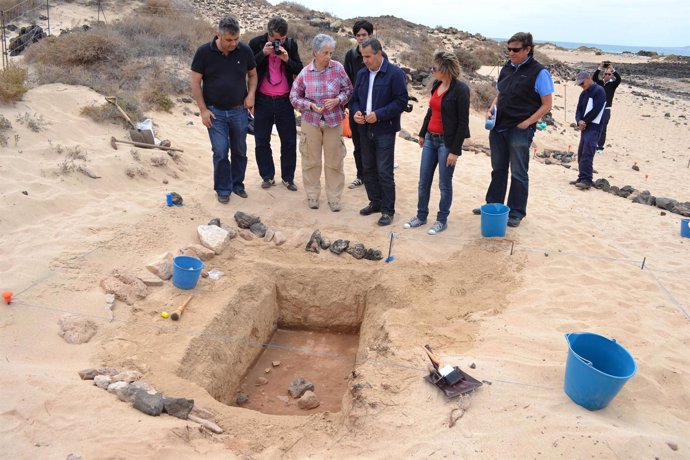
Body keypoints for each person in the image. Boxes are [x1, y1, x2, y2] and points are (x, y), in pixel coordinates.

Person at [473, 32, 554, 227]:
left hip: (520, 129)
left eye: (515, 50)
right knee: (498, 169)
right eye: (509, 49)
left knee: (518, 172)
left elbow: (547, 104)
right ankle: (493, 205)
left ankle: (516, 212)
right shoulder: (507, 68)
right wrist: (492, 109)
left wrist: (527, 123)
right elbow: (500, 93)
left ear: (528, 49)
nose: (511, 53)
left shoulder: (539, 72)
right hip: (499, 126)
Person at [191, 16, 257, 203]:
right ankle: (222, 188)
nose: (233, 43)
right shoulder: (204, 52)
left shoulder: (244, 51)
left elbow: (252, 75)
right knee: (220, 151)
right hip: (215, 112)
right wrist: (203, 110)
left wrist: (251, 94)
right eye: (229, 40)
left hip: (239, 111)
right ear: (217, 35)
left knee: (240, 150)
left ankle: (237, 185)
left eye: (236, 39)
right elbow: (196, 83)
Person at [404, 50, 470, 235]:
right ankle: (421, 216)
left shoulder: (461, 90)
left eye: (435, 68)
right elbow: (430, 111)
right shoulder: (436, 84)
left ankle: (442, 220)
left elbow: (463, 122)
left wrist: (455, 151)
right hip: (431, 139)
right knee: (423, 181)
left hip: (446, 143)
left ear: (446, 68)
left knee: (444, 184)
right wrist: (423, 133)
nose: (432, 71)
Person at [289, 34, 352, 211]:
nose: (329, 56)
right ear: (315, 52)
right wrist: (309, 105)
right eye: (325, 52)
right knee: (311, 161)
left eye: (331, 52)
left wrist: (338, 100)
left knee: (335, 161)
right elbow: (293, 97)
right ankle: (312, 196)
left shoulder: (338, 68)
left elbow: (349, 89)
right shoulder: (305, 73)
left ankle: (334, 198)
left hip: (334, 121)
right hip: (311, 121)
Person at [351, 38, 409, 226]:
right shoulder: (361, 74)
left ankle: (388, 210)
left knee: (384, 170)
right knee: (368, 167)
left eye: (368, 56)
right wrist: (356, 113)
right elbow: (355, 100)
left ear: (379, 53)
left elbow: (401, 102)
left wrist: (379, 115)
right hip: (364, 127)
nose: (365, 61)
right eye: (363, 57)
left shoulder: (395, 74)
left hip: (384, 128)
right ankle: (375, 202)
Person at [248, 17, 303, 192]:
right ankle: (267, 176)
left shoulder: (291, 45)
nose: (281, 42)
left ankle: (288, 178)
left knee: (288, 141)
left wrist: (287, 59)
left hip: (285, 101)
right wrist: (262, 54)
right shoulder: (256, 43)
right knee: (261, 141)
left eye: (284, 38)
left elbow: (300, 70)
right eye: (277, 39)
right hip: (262, 100)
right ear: (269, 35)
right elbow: (248, 68)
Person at [343, 20, 387, 190]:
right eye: (358, 35)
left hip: (375, 107)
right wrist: (349, 105)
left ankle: (375, 177)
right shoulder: (350, 55)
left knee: (376, 144)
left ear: (370, 35)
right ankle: (361, 175)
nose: (361, 38)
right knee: (358, 144)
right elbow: (347, 81)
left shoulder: (379, 55)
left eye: (364, 35)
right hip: (356, 106)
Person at [572, 71, 606, 190]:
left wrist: (584, 121)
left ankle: (587, 180)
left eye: (582, 83)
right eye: (580, 84)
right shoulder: (583, 93)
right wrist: (578, 121)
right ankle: (582, 177)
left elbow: (597, 109)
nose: (581, 85)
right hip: (584, 126)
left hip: (594, 127)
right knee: (581, 152)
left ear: (589, 78)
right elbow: (578, 109)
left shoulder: (599, 91)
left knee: (588, 152)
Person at [592, 61, 622, 151]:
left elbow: (619, 79)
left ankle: (600, 147)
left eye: (609, 74)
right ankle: (594, 144)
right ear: (603, 74)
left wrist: (613, 70)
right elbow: (594, 77)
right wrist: (599, 68)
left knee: (603, 128)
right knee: (595, 126)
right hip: (597, 108)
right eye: (606, 74)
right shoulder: (599, 83)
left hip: (606, 109)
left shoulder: (613, 84)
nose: (608, 75)